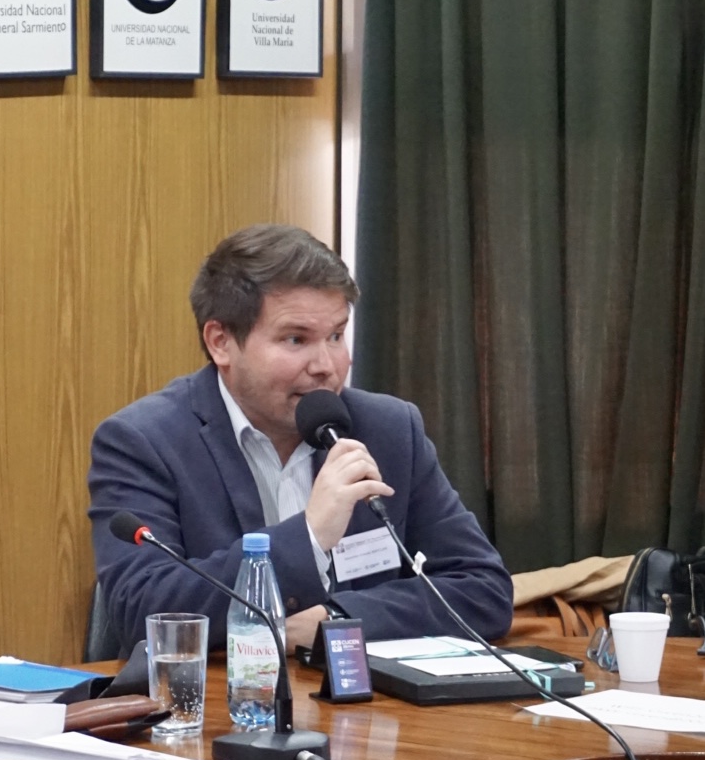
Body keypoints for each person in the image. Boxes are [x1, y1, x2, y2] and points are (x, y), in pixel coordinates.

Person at [88, 224, 513, 654]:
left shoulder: (388, 429)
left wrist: (335, 621)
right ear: (221, 343)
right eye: (296, 339)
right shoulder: (142, 442)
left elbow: (483, 590)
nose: (326, 365)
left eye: (336, 336)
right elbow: (143, 609)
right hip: (214, 692)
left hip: (361, 695)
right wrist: (309, 535)